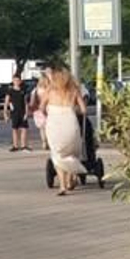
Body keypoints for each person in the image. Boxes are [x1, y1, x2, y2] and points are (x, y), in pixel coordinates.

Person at [40, 66, 89, 195]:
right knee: (72, 153)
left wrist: (49, 112)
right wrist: (73, 109)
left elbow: (41, 107)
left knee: (57, 155)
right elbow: (84, 110)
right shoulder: (74, 90)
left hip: (54, 125)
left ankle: (63, 186)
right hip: (70, 123)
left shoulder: (50, 90)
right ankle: (70, 179)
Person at [2, 74, 31, 152]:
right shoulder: (10, 91)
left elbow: (26, 103)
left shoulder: (23, 91)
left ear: (20, 81)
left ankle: (24, 146)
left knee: (24, 129)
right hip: (14, 112)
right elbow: (6, 102)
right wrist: (5, 114)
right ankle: (15, 146)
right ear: (13, 81)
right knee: (15, 129)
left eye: (18, 80)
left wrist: (26, 113)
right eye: (15, 80)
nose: (16, 82)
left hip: (22, 112)